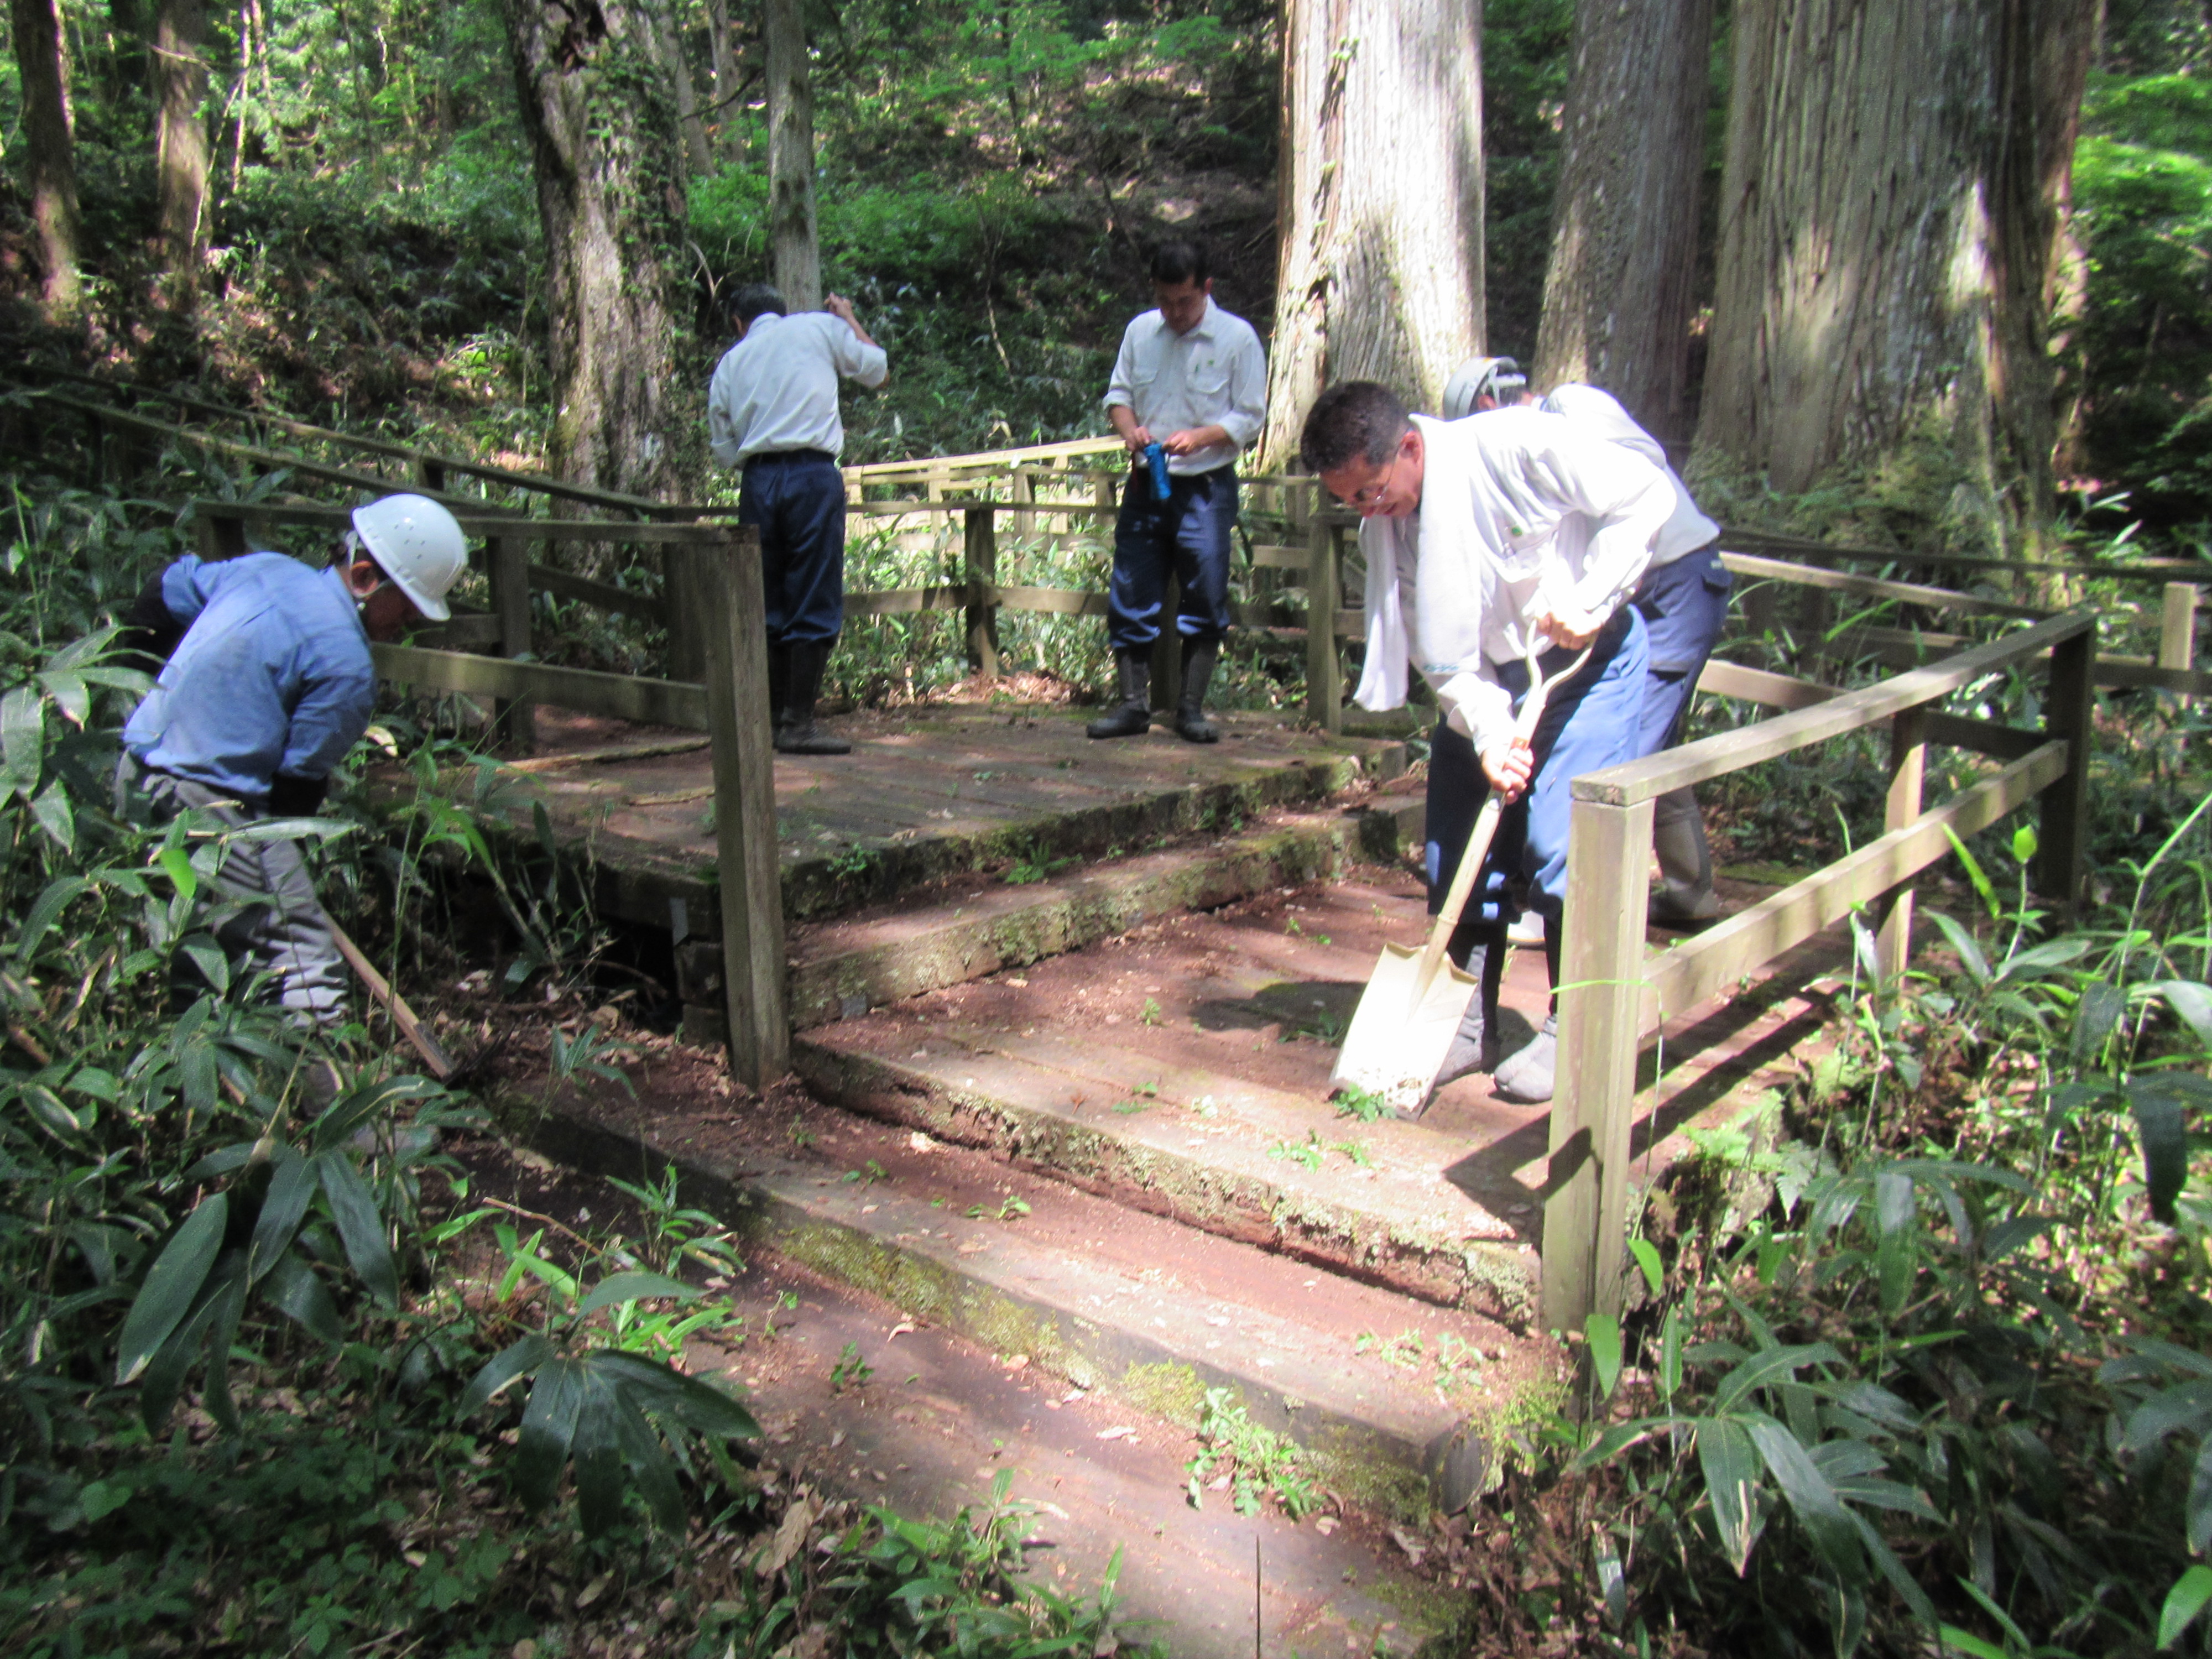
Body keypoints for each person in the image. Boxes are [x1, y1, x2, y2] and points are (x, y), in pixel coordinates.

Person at [1300, 383, 1673, 1105]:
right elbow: (1444, 662)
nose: (1368, 513)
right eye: (1351, 503)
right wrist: (1491, 732)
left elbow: (1645, 494)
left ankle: (1582, 1025)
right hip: (1495, 678)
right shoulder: (1393, 524)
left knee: (1571, 841)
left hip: (1587, 664)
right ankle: (1467, 1022)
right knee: (1458, 828)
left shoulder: (1517, 447)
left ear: (1409, 447)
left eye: (1372, 492)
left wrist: (1593, 597)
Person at [116, 494, 469, 1029]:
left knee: (189, 942)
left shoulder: (264, 570)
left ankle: (189, 1087)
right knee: (302, 958)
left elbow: (162, 594)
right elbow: (294, 796)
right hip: (208, 807)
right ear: (366, 578)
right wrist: (283, 885)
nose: (413, 623)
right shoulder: (348, 668)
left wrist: (141, 689)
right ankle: (337, 1105)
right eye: (410, 606)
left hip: (132, 776)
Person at [1540, 383, 1729, 925]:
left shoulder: (1568, 408)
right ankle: (1691, 893)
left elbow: (1642, 466)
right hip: (1648, 586)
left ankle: (1585, 905)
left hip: (1677, 582)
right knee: (1651, 743)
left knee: (1621, 749)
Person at [1089, 239, 1266, 743]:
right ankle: (1132, 706)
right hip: (1148, 480)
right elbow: (1119, 396)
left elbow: (1250, 415)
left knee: (1205, 592)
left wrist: (1202, 436)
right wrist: (1130, 432)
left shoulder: (1237, 338)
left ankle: (1191, 708)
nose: (1174, 312)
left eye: (1184, 302)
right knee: (1131, 587)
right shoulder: (1142, 332)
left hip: (1206, 487)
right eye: (1165, 301)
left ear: (1206, 289)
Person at [707, 283, 889, 755]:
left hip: (759, 481)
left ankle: (768, 718)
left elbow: (724, 447)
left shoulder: (731, 361)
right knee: (812, 589)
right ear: (781, 311)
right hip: (812, 475)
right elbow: (877, 370)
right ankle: (799, 722)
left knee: (764, 593)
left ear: (738, 322)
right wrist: (848, 317)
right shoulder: (819, 329)